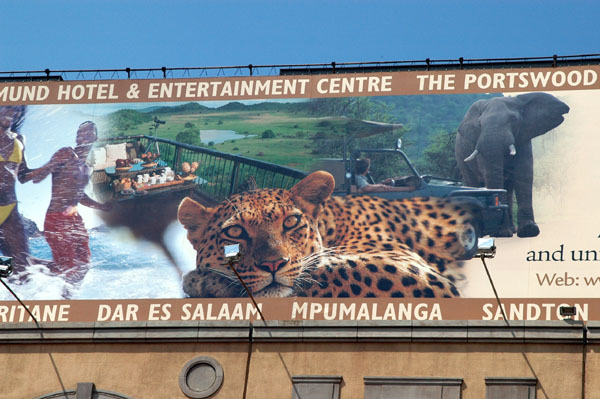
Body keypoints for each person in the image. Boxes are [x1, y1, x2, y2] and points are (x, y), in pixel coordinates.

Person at [32, 121, 110, 284]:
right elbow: (39, 177)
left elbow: (80, 197)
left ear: (95, 137)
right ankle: (25, 264)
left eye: (89, 133)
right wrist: (47, 168)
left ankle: (69, 300)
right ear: (76, 137)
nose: (85, 136)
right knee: (67, 269)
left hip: (75, 220)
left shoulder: (87, 167)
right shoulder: (65, 154)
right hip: (56, 218)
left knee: (84, 265)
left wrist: (103, 207)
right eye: (81, 133)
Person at [0, 105, 41, 274]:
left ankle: (16, 299)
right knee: (8, 267)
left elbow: (23, 176)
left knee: (22, 269)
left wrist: (52, 165)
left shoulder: (19, 139)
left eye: (17, 110)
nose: (12, 112)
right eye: (8, 107)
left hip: (10, 210)